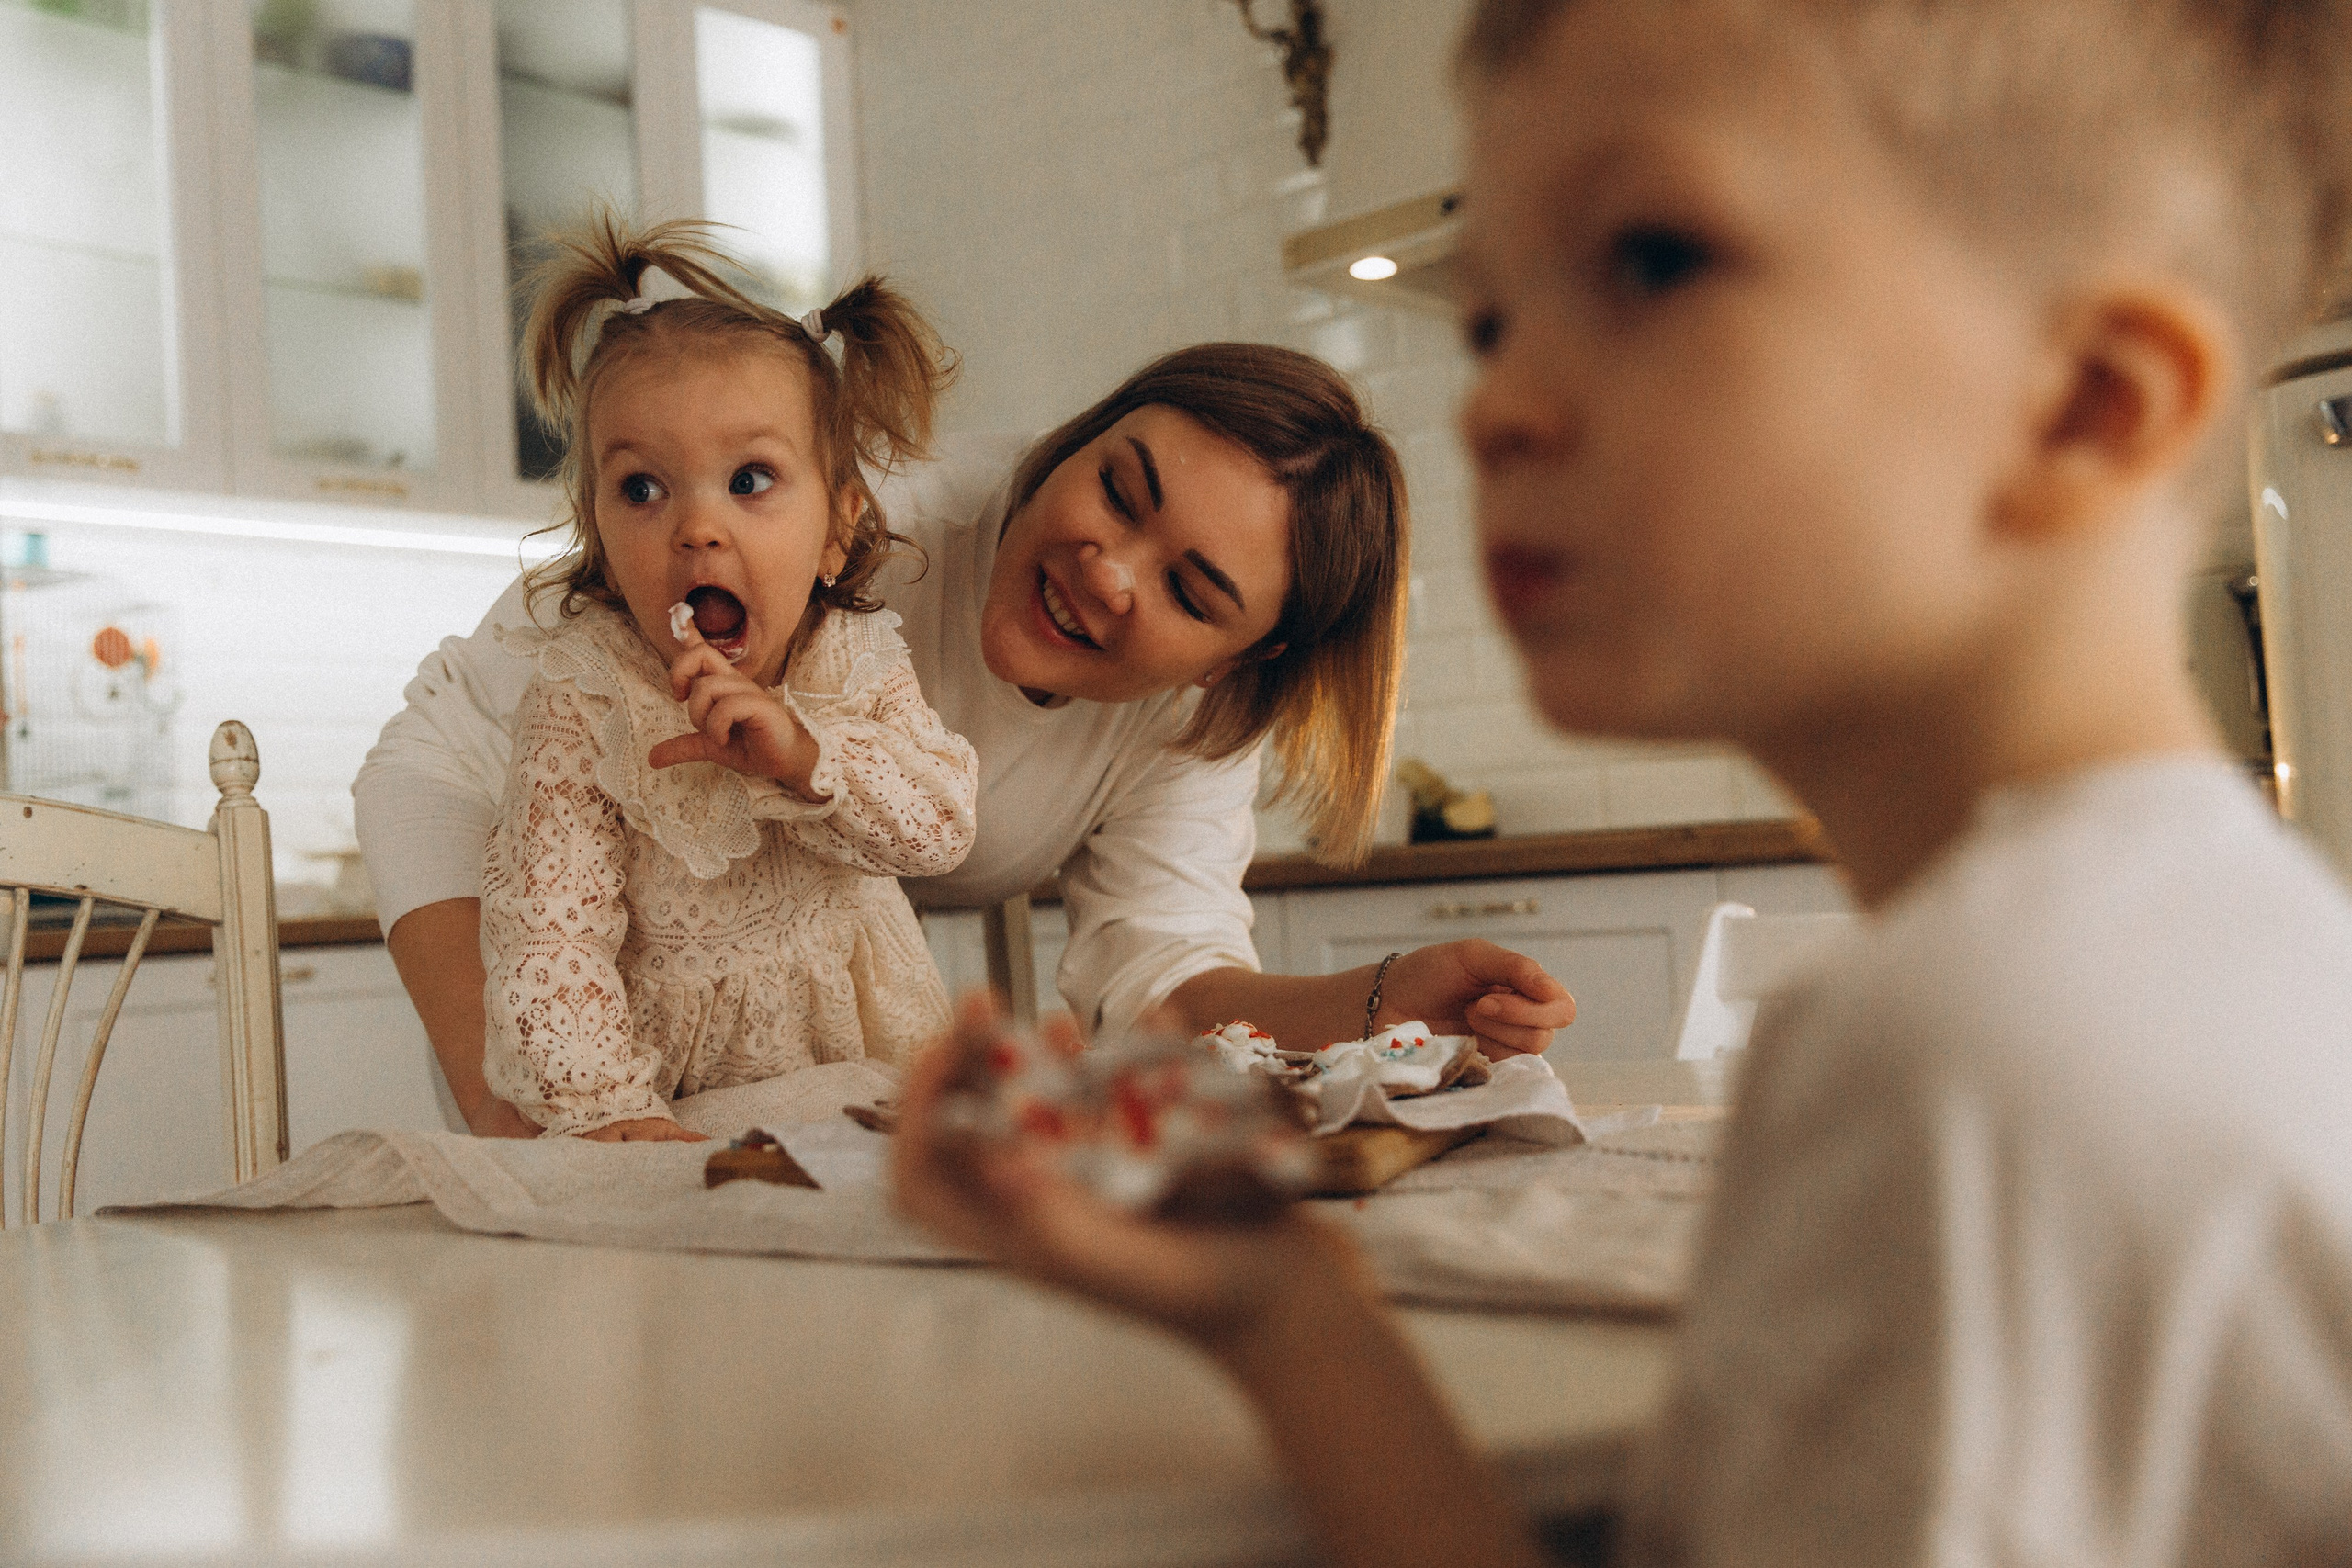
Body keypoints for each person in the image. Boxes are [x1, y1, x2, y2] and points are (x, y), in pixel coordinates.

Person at [893, 0, 2352, 1563]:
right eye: (1502, 314)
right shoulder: (2210, 963)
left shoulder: (1974, 1062)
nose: (1498, 406)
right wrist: (1284, 1311)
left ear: (2086, 403)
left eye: (1654, 262)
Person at [360, 347, 1579, 1141]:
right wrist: (551, 1113)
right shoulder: (845, 520)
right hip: (556, 981)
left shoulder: (1195, 718)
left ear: (1233, 661)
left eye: (1191, 589)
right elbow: (443, 756)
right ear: (1079, 429)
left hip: (791, 1064)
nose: (1103, 571)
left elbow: (1160, 985)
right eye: (1120, 488)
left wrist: (1379, 999)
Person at [476, 218, 976, 1140]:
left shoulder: (853, 661)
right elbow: (549, 934)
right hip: (673, 1108)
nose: (697, 527)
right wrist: (607, 1112)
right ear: (597, 530)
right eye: (641, 489)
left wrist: (805, 755)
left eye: (750, 479)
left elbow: (940, 827)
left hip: (864, 1089)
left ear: (837, 527)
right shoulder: (587, 699)